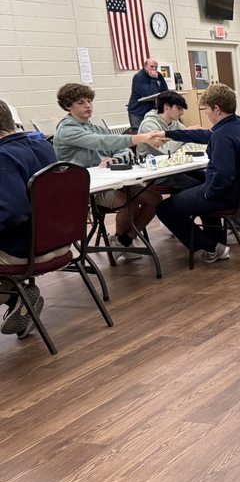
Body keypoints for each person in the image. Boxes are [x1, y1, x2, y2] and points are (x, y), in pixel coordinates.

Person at [52, 83, 166, 257]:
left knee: (156, 199)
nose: (88, 105)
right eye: (81, 102)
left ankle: (123, 241)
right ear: (68, 106)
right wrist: (140, 138)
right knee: (131, 204)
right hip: (88, 186)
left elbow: (121, 148)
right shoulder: (66, 130)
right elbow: (101, 142)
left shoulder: (94, 127)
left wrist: (117, 158)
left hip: (111, 181)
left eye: (89, 101)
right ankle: (120, 242)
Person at [155, 84, 240, 264]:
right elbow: (203, 135)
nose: (206, 113)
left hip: (226, 194)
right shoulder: (239, 127)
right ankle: (216, 245)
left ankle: (212, 246)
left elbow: (223, 176)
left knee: (164, 209)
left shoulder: (222, 135)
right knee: (195, 188)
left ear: (216, 109)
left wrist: (208, 194)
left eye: (206, 108)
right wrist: (167, 133)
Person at [0, 99, 58, 337]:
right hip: (60, 238)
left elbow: (13, 212)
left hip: (27, 247)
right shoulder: (41, 144)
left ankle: (16, 296)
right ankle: (18, 300)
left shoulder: (3, 157)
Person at [138, 90, 205, 191]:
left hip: (174, 167)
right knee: (194, 186)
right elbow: (166, 149)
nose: (182, 113)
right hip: (155, 172)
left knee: (207, 178)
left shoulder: (174, 123)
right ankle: (173, 205)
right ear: (166, 107)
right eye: (179, 108)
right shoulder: (148, 125)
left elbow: (187, 140)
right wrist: (185, 133)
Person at [126, 58, 168, 131]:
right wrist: (154, 79)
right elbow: (150, 93)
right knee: (140, 136)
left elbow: (165, 91)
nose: (154, 69)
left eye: (156, 67)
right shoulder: (139, 77)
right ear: (145, 66)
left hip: (152, 111)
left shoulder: (159, 76)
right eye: (151, 67)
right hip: (138, 111)